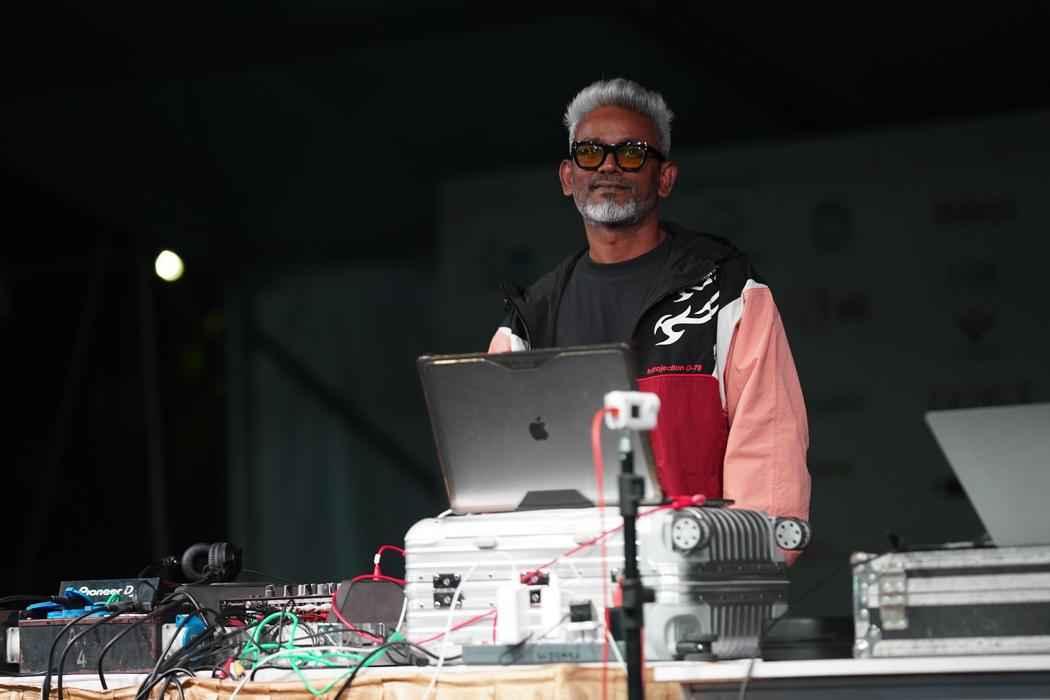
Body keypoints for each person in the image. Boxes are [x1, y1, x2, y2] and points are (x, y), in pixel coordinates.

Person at [488, 78, 810, 535]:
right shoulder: (528, 320)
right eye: (590, 152)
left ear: (665, 178)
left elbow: (769, 453)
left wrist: (741, 558)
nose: (609, 165)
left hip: (695, 567)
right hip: (568, 570)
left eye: (632, 153)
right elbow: (498, 477)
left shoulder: (729, 292)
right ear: (567, 177)